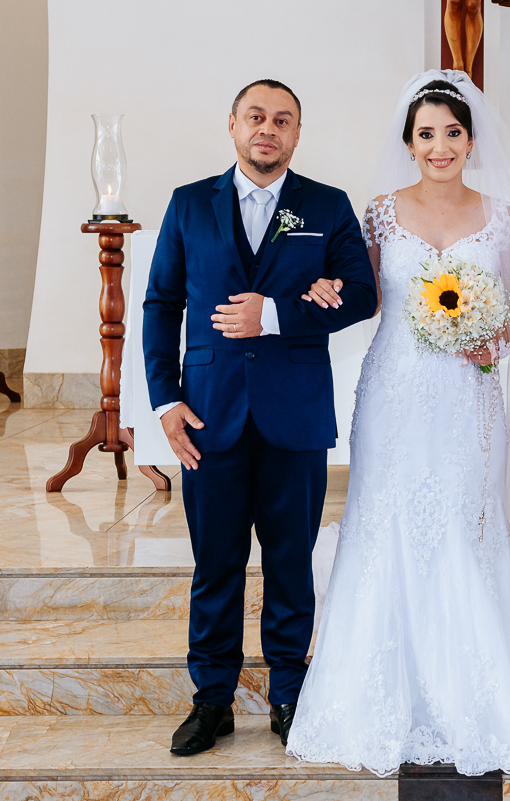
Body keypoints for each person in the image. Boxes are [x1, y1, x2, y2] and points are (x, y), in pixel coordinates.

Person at [284, 71, 510, 778]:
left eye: (452, 132)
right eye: (427, 134)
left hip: (466, 394)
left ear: (471, 138)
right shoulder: (379, 212)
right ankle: (374, 700)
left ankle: (475, 700)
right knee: (386, 522)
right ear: (409, 142)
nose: (440, 147)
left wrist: (490, 340)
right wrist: (322, 288)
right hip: (394, 394)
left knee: (465, 528)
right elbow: (362, 294)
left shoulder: (501, 217)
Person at [143, 79, 378, 756]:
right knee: (215, 563)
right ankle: (211, 699)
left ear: (297, 134)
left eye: (282, 119)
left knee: (290, 561)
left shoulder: (325, 206)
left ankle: (289, 694)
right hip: (209, 415)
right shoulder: (190, 205)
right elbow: (162, 304)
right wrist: (165, 399)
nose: (267, 128)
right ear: (233, 125)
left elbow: (361, 294)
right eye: (256, 117)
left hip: (294, 416)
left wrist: (277, 313)